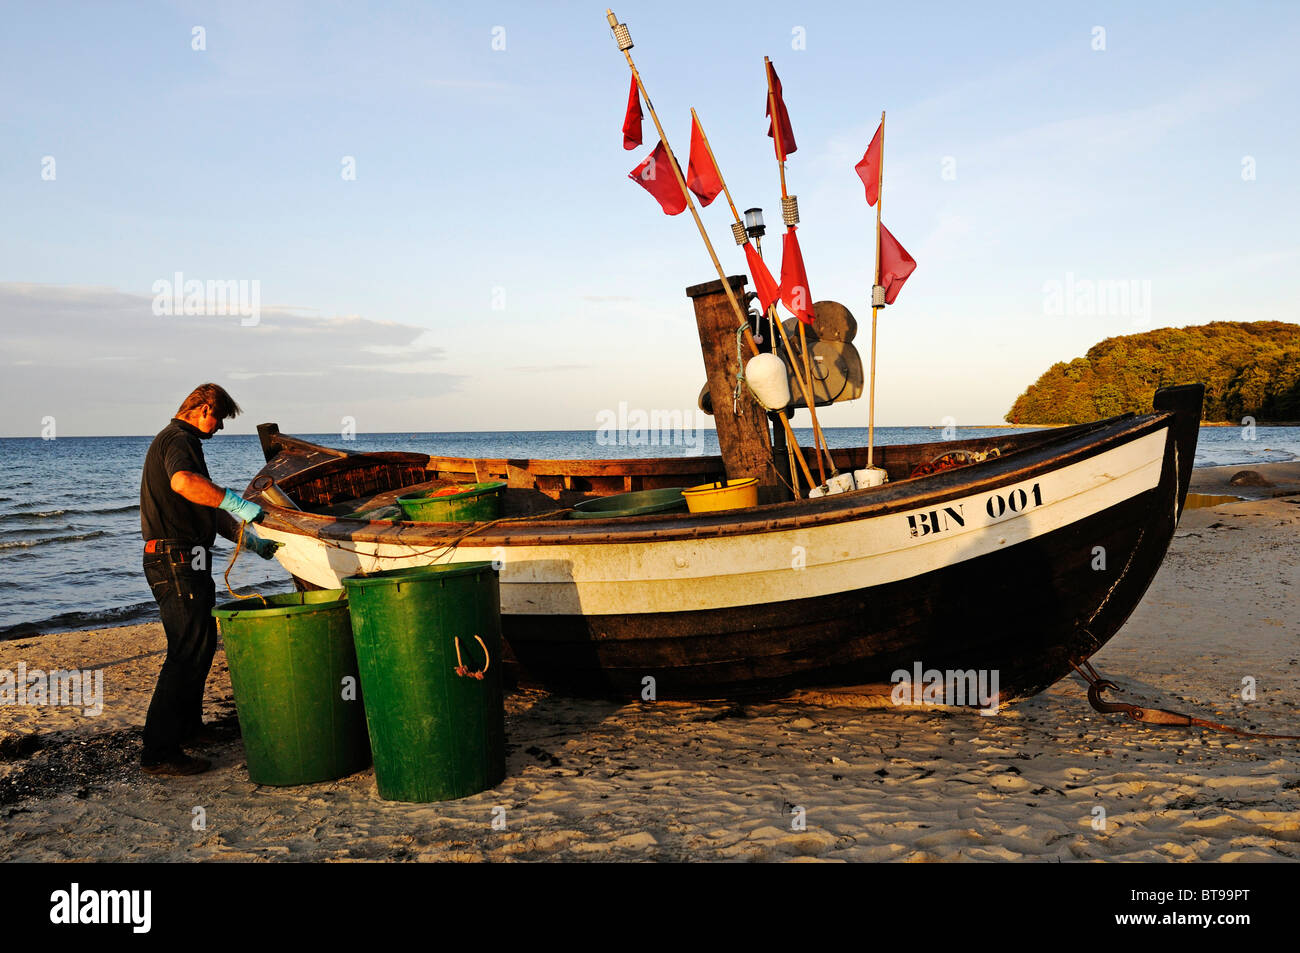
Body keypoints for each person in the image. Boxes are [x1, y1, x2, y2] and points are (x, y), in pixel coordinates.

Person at [138, 383, 280, 776]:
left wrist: (249, 540)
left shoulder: (183, 442)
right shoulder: (178, 439)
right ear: (200, 408)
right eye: (218, 418)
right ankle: (158, 752)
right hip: (174, 559)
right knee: (185, 651)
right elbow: (184, 483)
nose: (219, 428)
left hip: (186, 559)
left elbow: (207, 509)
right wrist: (235, 499)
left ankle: (189, 729)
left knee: (200, 647)